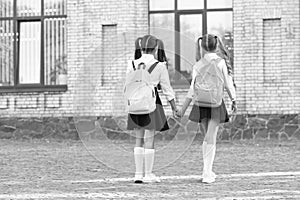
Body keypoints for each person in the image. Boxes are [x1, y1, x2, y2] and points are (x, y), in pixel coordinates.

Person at [178, 34, 237, 184]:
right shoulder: (221, 62)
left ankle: (207, 171)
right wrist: (233, 99)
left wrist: (183, 109)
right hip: (216, 103)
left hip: (200, 103)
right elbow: (228, 84)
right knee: (211, 138)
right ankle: (207, 172)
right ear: (216, 46)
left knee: (206, 138)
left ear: (202, 47)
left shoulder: (198, 64)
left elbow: (192, 89)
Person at [126, 34, 179, 183]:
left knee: (138, 139)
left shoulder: (131, 63)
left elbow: (127, 84)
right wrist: (174, 107)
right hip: (152, 102)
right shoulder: (160, 66)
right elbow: (167, 89)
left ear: (141, 47)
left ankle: (137, 174)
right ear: (156, 48)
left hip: (136, 102)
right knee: (149, 139)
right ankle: (148, 174)